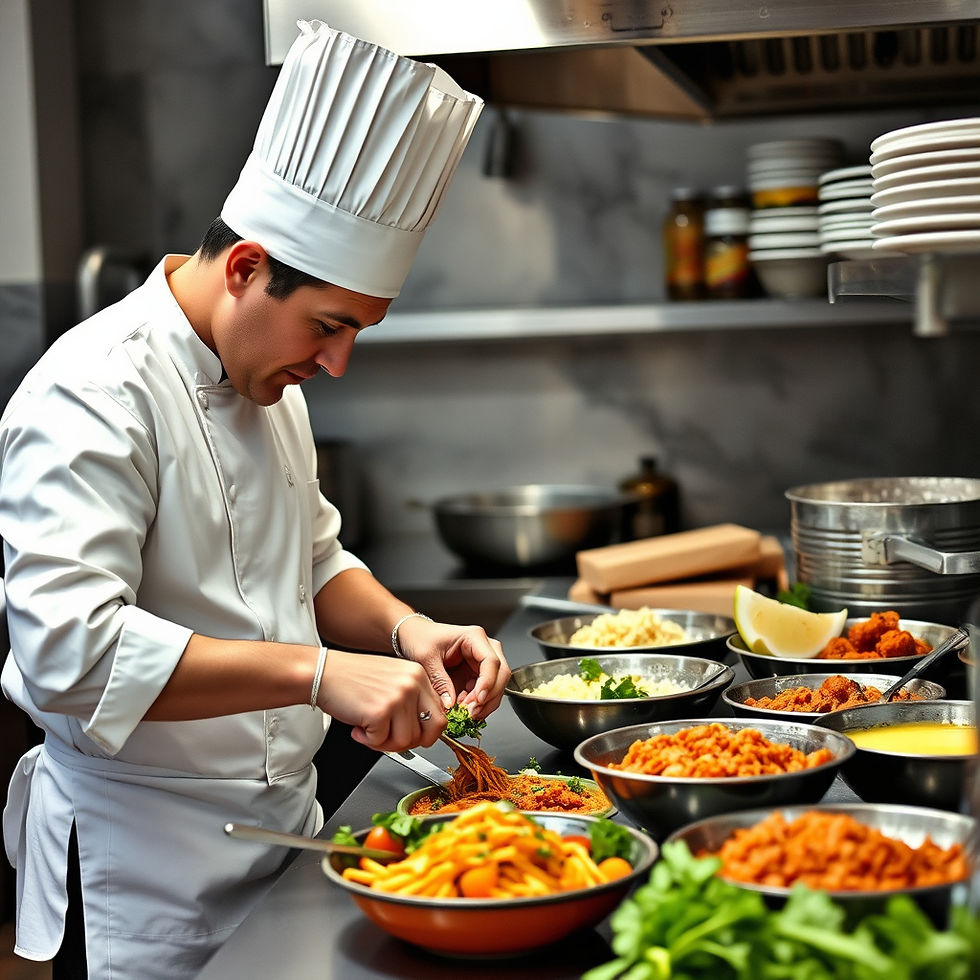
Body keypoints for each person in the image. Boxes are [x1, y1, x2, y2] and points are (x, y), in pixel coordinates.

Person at [0, 20, 508, 979]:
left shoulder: (270, 383)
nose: (337, 362)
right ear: (245, 269)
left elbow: (311, 558)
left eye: (357, 333)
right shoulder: (91, 392)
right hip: (138, 872)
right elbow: (71, 655)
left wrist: (406, 629)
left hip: (281, 837)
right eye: (327, 326)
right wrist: (318, 675)